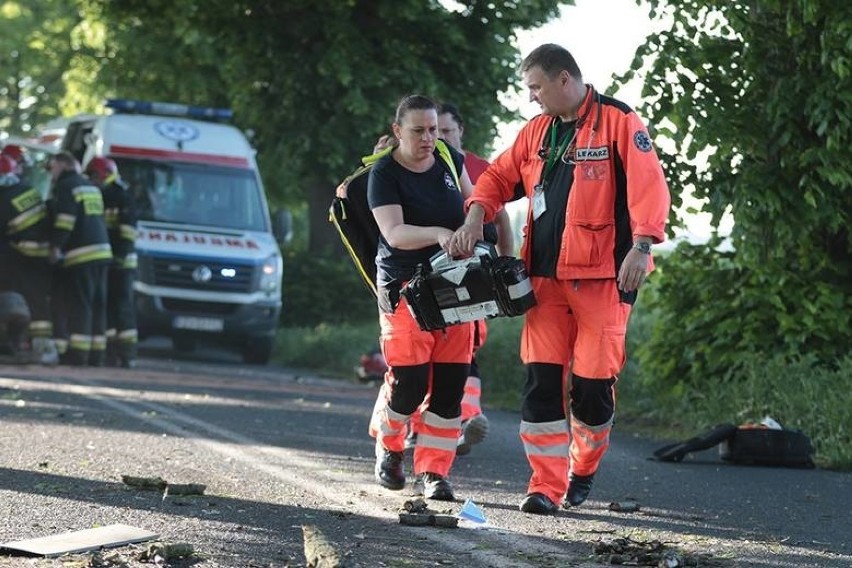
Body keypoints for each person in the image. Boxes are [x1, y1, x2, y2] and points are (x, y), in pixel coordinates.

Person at [449, 44, 671, 515]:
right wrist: (474, 217)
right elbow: (496, 179)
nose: (531, 97)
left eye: (535, 87)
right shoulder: (536, 132)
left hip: (605, 280)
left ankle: (582, 469)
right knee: (541, 383)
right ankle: (544, 487)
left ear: (564, 79)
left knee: (591, 389)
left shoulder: (619, 122)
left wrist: (643, 244)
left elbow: (650, 186)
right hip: (545, 282)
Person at [367, 94, 476, 502]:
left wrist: (475, 230)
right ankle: (391, 447)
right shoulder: (385, 173)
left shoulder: (450, 160)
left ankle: (434, 473)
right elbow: (394, 234)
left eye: (433, 129)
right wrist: (438, 234)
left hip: (454, 288)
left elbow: (474, 206)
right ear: (398, 131)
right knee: (410, 385)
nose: (429, 138)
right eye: (418, 130)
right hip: (404, 290)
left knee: (450, 387)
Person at [47, 151, 112, 366]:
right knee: (98, 305)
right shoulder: (90, 186)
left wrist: (56, 246)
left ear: (64, 165)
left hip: (82, 254)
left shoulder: (67, 186)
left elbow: (66, 220)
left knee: (80, 304)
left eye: (53, 167)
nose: (51, 172)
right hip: (103, 252)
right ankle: (97, 355)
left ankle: (78, 356)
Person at [0, 152, 58, 364]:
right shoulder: (27, 189)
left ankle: (23, 345)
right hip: (43, 254)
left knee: (27, 300)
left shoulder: (4, 199)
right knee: (38, 301)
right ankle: (36, 346)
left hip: (24, 255)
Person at [85, 157, 138, 368]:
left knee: (122, 308)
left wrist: (120, 257)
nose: (92, 180)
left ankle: (127, 354)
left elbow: (127, 233)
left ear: (104, 174)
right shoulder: (101, 194)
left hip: (123, 264)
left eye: (94, 176)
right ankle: (111, 352)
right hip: (107, 261)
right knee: (106, 308)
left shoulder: (122, 196)